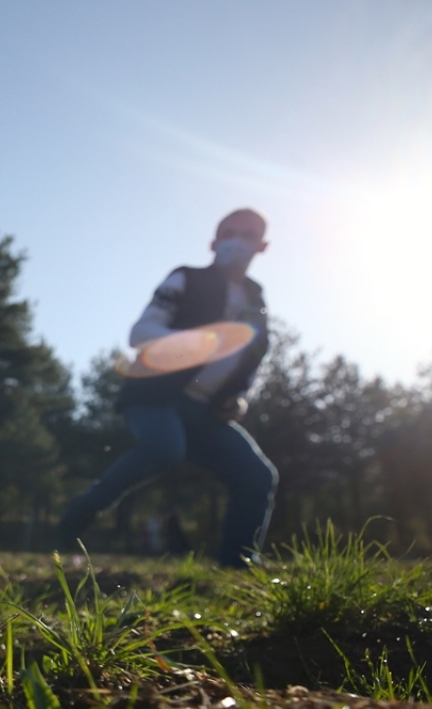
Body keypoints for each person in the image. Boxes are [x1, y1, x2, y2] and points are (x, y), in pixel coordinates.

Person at [58, 209, 279, 567]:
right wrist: (196, 344)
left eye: (248, 235)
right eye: (229, 233)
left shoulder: (258, 302)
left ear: (263, 246)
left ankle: (239, 562)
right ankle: (80, 514)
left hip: (206, 414)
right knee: (164, 449)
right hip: (154, 397)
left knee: (257, 476)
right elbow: (141, 333)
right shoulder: (186, 278)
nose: (237, 241)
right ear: (213, 242)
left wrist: (238, 401)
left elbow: (250, 363)